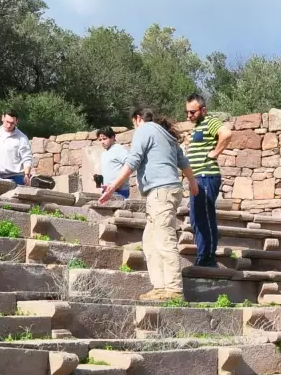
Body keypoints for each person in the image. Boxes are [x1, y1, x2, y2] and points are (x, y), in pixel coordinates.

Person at [99, 108, 197, 302]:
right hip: (162, 192)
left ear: (137, 119)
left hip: (161, 191)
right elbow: (183, 161)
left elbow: (133, 160)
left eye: (133, 123)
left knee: (164, 239)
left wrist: (113, 186)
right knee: (150, 240)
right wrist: (193, 184)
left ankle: (174, 290)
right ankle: (160, 287)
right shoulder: (166, 134)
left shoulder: (145, 130)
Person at [184, 93, 232, 267]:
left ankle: (207, 257)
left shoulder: (210, 121)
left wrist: (214, 153)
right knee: (196, 218)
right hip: (197, 178)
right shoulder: (197, 126)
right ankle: (203, 255)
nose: (189, 116)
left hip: (206, 176)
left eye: (192, 112)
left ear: (203, 110)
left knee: (204, 216)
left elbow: (226, 134)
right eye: (187, 112)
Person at [0, 109, 34, 186]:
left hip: (16, 176)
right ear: (2, 118)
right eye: (7, 122)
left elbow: (27, 158)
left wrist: (26, 175)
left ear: (16, 122)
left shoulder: (22, 138)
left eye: (12, 123)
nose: (9, 125)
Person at [92, 127, 130, 201]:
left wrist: (118, 183)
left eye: (104, 139)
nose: (102, 142)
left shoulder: (119, 149)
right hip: (107, 191)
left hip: (119, 191)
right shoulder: (104, 154)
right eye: (100, 140)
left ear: (112, 137)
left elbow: (130, 164)